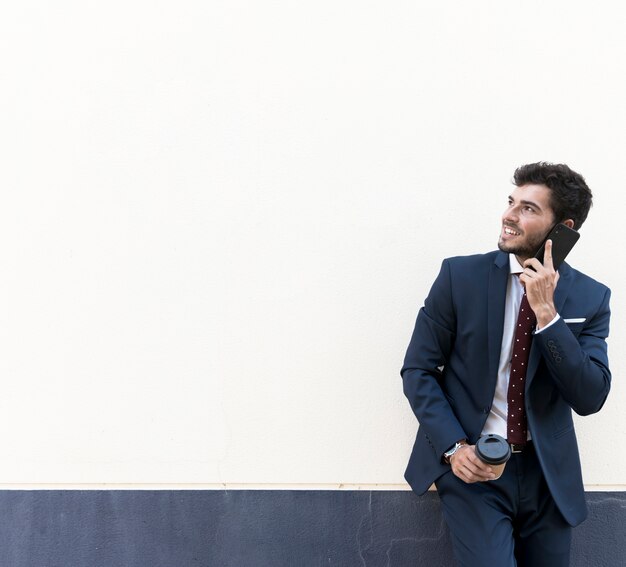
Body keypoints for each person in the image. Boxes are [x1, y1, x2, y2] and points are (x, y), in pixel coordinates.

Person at [401, 162, 611, 567]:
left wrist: (548, 317)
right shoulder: (459, 276)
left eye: (528, 208)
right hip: (474, 467)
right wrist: (453, 448)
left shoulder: (591, 297)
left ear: (562, 228)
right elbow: (418, 370)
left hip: (549, 477)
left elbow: (590, 396)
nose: (509, 215)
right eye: (511, 202)